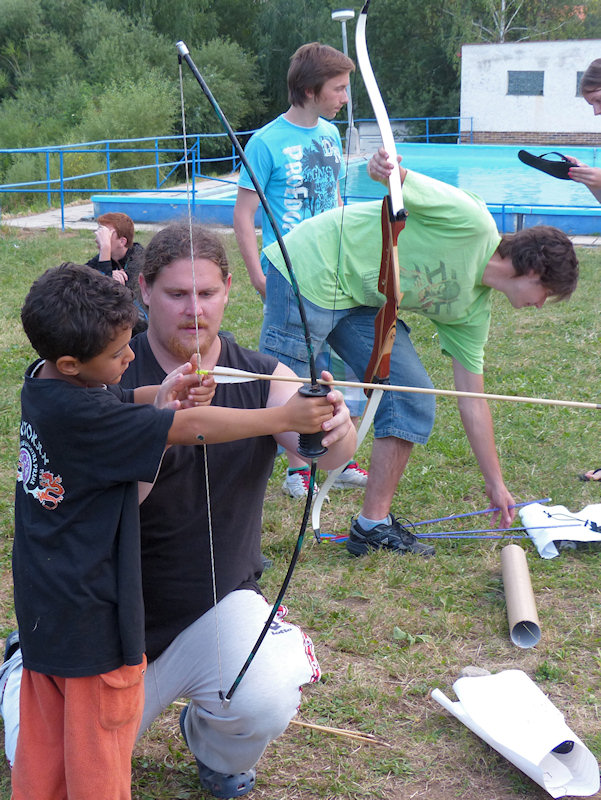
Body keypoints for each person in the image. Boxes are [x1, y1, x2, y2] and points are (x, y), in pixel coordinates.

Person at [4, 225, 356, 799]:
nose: (194, 309)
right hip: (99, 632)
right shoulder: (101, 367)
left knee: (264, 690)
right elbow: (186, 426)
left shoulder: (79, 375)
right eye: (176, 294)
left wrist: (330, 425)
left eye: (207, 292)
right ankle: (19, 665)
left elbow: (320, 452)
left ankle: (217, 750)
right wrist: (281, 418)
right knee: (55, 761)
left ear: (229, 290)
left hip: (196, 613)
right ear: (143, 290)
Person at [259, 150, 580, 557]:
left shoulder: (473, 312)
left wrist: (496, 483)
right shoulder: (472, 221)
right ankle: (223, 524)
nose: (539, 305)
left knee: (412, 396)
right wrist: (382, 168)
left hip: (362, 300)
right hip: (312, 266)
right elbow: (396, 179)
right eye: (545, 294)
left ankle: (372, 525)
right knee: (272, 400)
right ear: (533, 271)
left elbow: (472, 401)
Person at [234, 41, 368, 499]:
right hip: (288, 274)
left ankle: (337, 456)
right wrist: (257, 274)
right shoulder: (266, 142)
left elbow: (334, 199)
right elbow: (244, 214)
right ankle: (298, 469)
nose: (345, 97)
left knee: (332, 365)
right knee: (292, 365)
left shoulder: (329, 134)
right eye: (338, 88)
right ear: (310, 90)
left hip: (331, 272)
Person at [87, 211, 148, 334]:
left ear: (122, 241)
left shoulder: (139, 259)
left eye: (106, 235)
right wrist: (109, 275)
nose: (99, 239)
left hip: (142, 327)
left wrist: (105, 249)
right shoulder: (108, 257)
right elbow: (81, 278)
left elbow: (110, 298)